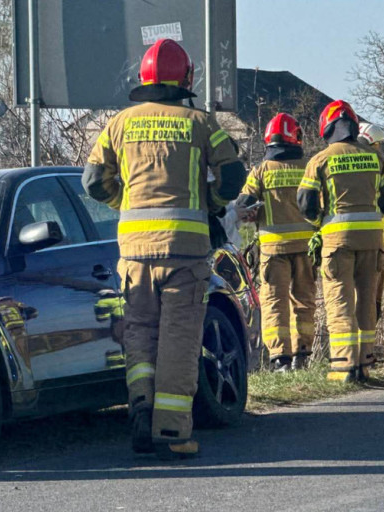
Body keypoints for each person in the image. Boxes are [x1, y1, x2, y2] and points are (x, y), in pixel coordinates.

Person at [83, 38, 245, 458]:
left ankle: (141, 404)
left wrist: (125, 202)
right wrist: (211, 204)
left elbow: (92, 182)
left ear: (144, 79)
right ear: (186, 78)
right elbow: (232, 178)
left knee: (139, 332)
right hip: (185, 251)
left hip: (134, 252)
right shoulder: (200, 123)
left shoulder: (119, 124)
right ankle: (171, 431)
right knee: (178, 339)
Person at [297, 100, 384, 382]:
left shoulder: (321, 159)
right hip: (372, 241)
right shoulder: (376, 157)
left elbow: (305, 203)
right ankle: (364, 365)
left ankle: (343, 367)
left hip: (337, 243)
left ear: (327, 129)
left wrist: (320, 223)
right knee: (366, 304)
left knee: (340, 302)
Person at [237, 113, 316, 372]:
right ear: (297, 137)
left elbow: (244, 205)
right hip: (306, 248)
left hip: (273, 250)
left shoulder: (260, 171)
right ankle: (302, 355)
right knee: (303, 301)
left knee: (274, 302)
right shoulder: (309, 167)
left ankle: (280, 357)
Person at [358, 123, 384, 323]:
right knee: (366, 300)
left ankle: (368, 348)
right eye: (377, 145)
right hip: (368, 243)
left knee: (374, 302)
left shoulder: (376, 166)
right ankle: (363, 350)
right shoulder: (369, 169)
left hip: (379, 243)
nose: (379, 150)